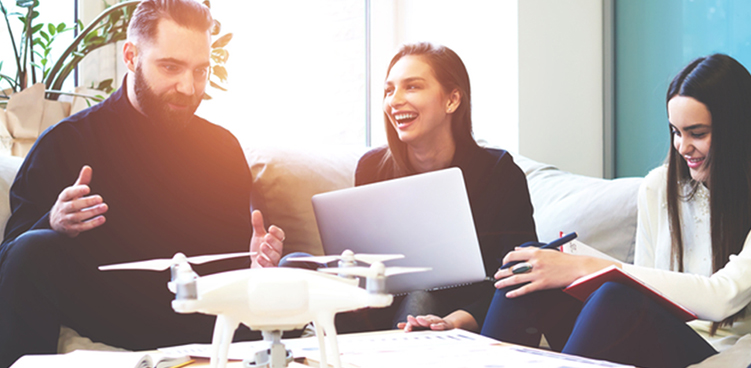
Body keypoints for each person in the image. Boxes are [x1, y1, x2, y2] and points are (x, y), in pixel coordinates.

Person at [0, 0, 285, 366]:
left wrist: (257, 262)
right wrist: (53, 221)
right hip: (113, 312)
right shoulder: (66, 142)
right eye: (170, 67)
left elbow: (236, 264)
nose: (188, 87)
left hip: (206, 314)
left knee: (306, 269)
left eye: (201, 71)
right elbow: (12, 260)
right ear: (131, 56)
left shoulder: (222, 148)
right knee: (32, 248)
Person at [480, 53, 751, 368]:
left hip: (720, 352)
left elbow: (724, 296)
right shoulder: (658, 187)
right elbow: (646, 286)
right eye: (675, 131)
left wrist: (587, 266)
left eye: (697, 133)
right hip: (654, 335)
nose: (683, 147)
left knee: (616, 299)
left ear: (736, 132)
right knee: (531, 263)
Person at [347, 42, 538, 333]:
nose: (394, 100)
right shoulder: (372, 168)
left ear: (452, 100)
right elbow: (361, 271)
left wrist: (457, 320)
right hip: (380, 307)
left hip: (470, 313)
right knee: (294, 264)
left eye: (411, 87)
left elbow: (519, 272)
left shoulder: (499, 173)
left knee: (421, 298)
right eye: (389, 90)